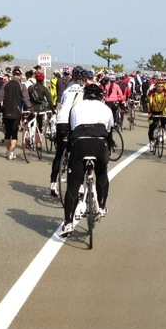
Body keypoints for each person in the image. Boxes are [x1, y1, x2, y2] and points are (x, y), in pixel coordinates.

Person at [59, 81, 114, 238]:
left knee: (73, 185)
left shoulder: (76, 107)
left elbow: (71, 129)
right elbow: (109, 131)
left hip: (80, 143)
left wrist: (68, 152)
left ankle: (68, 223)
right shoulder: (106, 108)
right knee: (102, 172)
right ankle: (102, 206)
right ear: (100, 96)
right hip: (100, 144)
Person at [49, 67, 88, 197]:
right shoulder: (85, 90)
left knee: (59, 153)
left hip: (62, 121)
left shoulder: (67, 90)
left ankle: (53, 183)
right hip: (75, 122)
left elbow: (63, 104)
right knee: (80, 154)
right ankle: (81, 185)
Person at [0, 66, 27, 159]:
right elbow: (26, 98)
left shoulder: (6, 85)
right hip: (16, 112)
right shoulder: (21, 85)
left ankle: (7, 151)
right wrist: (30, 109)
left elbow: (0, 97)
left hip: (6, 111)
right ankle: (11, 152)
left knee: (7, 133)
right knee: (14, 133)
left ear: (12, 75)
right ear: (20, 75)